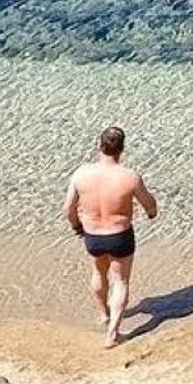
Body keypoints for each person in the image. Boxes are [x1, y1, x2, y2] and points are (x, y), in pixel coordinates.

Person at [62, 125, 157, 347]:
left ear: (99, 146)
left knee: (98, 273)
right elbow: (149, 205)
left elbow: (68, 208)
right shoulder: (130, 177)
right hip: (120, 235)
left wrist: (77, 226)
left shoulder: (81, 174)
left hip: (93, 235)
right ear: (122, 149)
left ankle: (104, 314)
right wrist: (152, 213)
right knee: (120, 281)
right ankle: (113, 333)